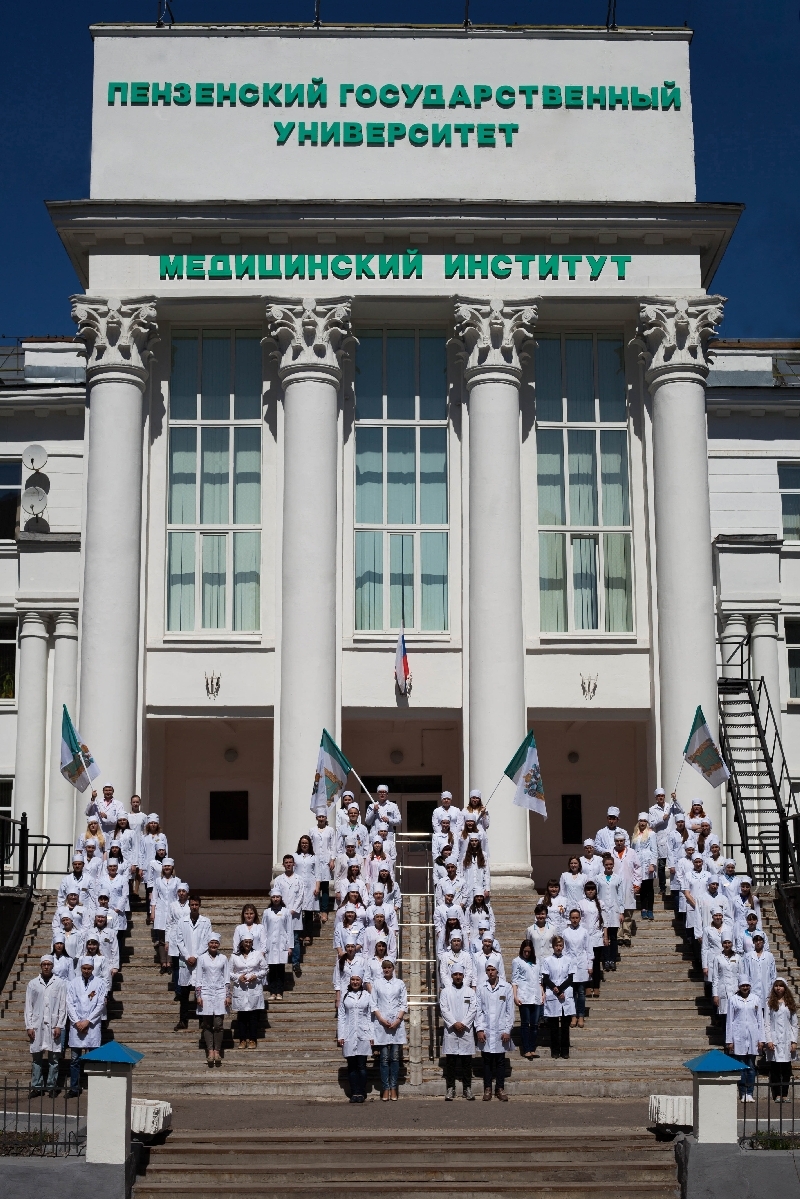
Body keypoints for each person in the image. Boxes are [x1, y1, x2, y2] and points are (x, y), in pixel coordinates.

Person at [24, 956, 67, 1098]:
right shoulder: (33, 984)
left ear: (52, 966)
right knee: (36, 1057)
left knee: (54, 1058)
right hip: (37, 1025)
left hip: (54, 1026)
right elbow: (28, 1006)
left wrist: (60, 1025)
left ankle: (52, 1086)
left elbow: (62, 1006)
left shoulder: (60, 983)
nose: (46, 967)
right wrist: (29, 1026)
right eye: (44, 964)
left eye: (49, 964)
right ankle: (36, 1086)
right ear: (40, 966)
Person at [66, 956, 107, 1097]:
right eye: (84, 968)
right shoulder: (73, 983)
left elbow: (100, 1004)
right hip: (76, 1026)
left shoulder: (100, 983)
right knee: (74, 1060)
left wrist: (88, 1021)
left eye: (89, 968)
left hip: (92, 1026)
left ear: (93, 969)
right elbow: (69, 1003)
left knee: (94, 1059)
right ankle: (74, 1088)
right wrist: (77, 1022)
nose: (86, 971)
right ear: (80, 968)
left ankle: (95, 1087)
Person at [474, 962, 513, 1101]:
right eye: (488, 970)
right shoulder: (480, 988)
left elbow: (510, 1011)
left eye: (493, 970)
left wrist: (507, 1030)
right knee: (487, 1061)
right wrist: (479, 1029)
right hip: (486, 1029)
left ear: (497, 971)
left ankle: (500, 1088)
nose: (491, 972)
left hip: (501, 1030)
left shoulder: (506, 988)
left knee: (500, 1061)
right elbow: (477, 1010)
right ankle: (488, 1088)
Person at [370, 957, 407, 1101]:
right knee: (384, 1058)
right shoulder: (377, 983)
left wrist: (398, 1020)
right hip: (382, 1024)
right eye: (384, 967)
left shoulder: (400, 983)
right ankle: (385, 1088)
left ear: (393, 968)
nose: (387, 970)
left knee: (395, 1057)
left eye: (389, 967)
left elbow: (403, 1003)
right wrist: (381, 1019)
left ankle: (393, 1087)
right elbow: (374, 1003)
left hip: (396, 1025)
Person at [174, 894, 211, 1031]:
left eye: (196, 905)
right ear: (189, 906)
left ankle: (203, 1020)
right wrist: (187, 956)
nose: (194, 907)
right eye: (192, 905)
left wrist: (195, 956)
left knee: (199, 992)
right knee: (184, 994)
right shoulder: (182, 921)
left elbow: (207, 941)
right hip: (185, 961)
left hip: (199, 961)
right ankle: (183, 1020)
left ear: (199, 905)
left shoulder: (206, 922)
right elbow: (179, 940)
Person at [440, 965, 476, 1100]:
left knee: (467, 1062)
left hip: (465, 1031)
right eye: (455, 974)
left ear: (463, 976)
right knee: (451, 1062)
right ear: (451, 976)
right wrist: (454, 1023)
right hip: (451, 1031)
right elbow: (444, 1009)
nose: (458, 977)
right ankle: (450, 1088)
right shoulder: (445, 992)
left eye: (460, 974)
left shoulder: (470, 992)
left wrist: (464, 1023)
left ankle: (467, 1088)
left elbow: (473, 1009)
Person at [725, 977, 765, 1102]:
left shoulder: (756, 999)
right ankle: (742, 1093)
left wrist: (761, 1039)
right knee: (741, 1066)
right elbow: (729, 1021)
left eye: (747, 985)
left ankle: (750, 1092)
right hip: (739, 1036)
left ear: (750, 986)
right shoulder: (733, 1000)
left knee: (751, 1066)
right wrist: (729, 1040)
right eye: (743, 985)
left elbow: (760, 1020)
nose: (745, 987)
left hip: (753, 1036)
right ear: (739, 986)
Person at [195, 932, 231, 1067]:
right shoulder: (202, 958)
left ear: (219, 944)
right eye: (212, 942)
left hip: (220, 992)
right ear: (208, 944)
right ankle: (210, 1050)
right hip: (206, 992)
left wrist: (228, 995)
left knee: (219, 1024)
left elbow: (226, 978)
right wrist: (198, 995)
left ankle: (217, 1050)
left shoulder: (223, 958)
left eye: (216, 943)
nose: (214, 945)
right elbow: (198, 978)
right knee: (207, 1024)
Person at [337, 973, 373, 1102]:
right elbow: (341, 1017)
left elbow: (370, 1016)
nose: (355, 982)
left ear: (361, 981)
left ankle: (362, 1093)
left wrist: (371, 1035)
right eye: (353, 979)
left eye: (357, 980)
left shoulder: (367, 996)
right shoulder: (345, 996)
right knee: (351, 1065)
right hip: (349, 1033)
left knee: (362, 1065)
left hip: (363, 1033)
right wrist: (341, 1035)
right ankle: (354, 1093)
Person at [541, 935, 575, 1060]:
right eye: (556, 946)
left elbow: (570, 977)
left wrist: (560, 989)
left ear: (563, 946)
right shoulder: (547, 960)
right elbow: (545, 978)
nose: (558, 948)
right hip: (553, 994)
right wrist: (555, 989)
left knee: (565, 1026)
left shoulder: (568, 959)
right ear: (553, 946)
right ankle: (555, 1050)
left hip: (565, 993)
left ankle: (565, 1050)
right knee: (554, 1026)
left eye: (560, 946)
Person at [764, 978, 798, 1101]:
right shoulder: (769, 1003)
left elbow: (794, 1024)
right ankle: (777, 1094)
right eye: (776, 986)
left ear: (785, 988)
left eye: (781, 986)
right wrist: (769, 1040)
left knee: (786, 1068)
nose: (778, 988)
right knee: (775, 1068)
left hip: (787, 1039)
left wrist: (794, 1041)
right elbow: (767, 1023)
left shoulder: (789, 1003)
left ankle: (785, 1094)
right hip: (774, 1039)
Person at [230, 935, 266, 1049]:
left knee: (253, 1015)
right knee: (242, 1015)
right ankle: (242, 1040)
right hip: (240, 988)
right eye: (246, 942)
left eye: (250, 942)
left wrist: (256, 976)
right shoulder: (234, 956)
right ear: (241, 943)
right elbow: (228, 972)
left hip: (253, 987)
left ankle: (253, 1039)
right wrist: (237, 977)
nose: (248, 944)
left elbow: (265, 969)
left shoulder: (257, 954)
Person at [273, 853, 305, 976]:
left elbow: (301, 896)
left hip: (295, 914)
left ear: (294, 864)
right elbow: (276, 896)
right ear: (283, 864)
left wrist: (293, 910)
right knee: (282, 937)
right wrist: (283, 910)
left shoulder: (299, 879)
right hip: (281, 913)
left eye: (290, 862)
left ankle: (296, 963)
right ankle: (281, 960)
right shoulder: (279, 880)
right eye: (286, 863)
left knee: (296, 939)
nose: (288, 864)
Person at [648, 788, 683, 895]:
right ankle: (662, 888)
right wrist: (662, 819)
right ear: (656, 798)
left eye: (662, 795)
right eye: (659, 796)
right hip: (661, 840)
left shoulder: (670, 806)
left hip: (672, 839)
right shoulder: (652, 809)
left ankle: (676, 886)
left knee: (674, 863)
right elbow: (651, 824)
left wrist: (675, 800)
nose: (661, 797)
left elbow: (682, 812)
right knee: (662, 865)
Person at [511, 939, 541, 1059]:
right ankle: (526, 1049)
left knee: (534, 1024)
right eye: (525, 951)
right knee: (525, 1023)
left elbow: (539, 979)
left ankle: (532, 1048)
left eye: (529, 952)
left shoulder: (537, 961)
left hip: (536, 995)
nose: (526, 954)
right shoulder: (517, 961)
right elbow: (514, 980)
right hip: (524, 996)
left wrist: (542, 993)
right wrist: (515, 996)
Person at [262, 889, 293, 1000]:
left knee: (280, 968)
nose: (275, 899)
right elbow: (264, 930)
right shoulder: (267, 912)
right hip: (270, 944)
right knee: (271, 968)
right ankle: (272, 991)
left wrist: (290, 946)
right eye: (274, 897)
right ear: (271, 898)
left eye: (278, 897)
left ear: (281, 898)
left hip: (282, 944)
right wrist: (263, 947)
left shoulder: (286, 912)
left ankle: (279, 992)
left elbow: (289, 930)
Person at [611, 831, 641, 946]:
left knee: (628, 912)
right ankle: (619, 935)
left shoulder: (632, 852)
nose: (619, 843)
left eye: (621, 841)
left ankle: (627, 935)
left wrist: (637, 883)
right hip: (615, 887)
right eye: (617, 841)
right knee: (617, 911)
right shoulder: (610, 852)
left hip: (629, 885)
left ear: (625, 841)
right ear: (615, 842)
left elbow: (637, 868)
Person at [562, 909, 591, 1028]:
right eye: (572, 918)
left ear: (580, 919)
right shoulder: (565, 932)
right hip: (570, 963)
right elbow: (563, 949)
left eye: (576, 918)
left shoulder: (584, 932)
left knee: (581, 992)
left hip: (582, 963)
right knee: (571, 992)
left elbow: (589, 949)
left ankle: (581, 1015)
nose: (574, 920)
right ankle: (573, 1015)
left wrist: (590, 965)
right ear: (569, 918)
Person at [151, 857, 180, 971]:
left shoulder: (177, 881)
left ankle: (170, 962)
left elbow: (179, 897)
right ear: (162, 868)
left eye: (169, 866)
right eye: (165, 866)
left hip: (173, 912)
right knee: (162, 939)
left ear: (172, 867)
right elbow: (154, 897)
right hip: (161, 911)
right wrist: (152, 912)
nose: (167, 868)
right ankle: (163, 962)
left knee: (172, 938)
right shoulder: (158, 881)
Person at [596, 854, 625, 970]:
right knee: (603, 935)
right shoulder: (598, 878)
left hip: (614, 910)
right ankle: (606, 959)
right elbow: (596, 894)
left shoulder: (618, 878)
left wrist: (621, 912)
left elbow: (620, 896)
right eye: (606, 864)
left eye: (610, 864)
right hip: (602, 910)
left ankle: (612, 960)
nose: (608, 866)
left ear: (613, 865)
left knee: (613, 936)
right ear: (603, 865)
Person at [579, 880, 607, 998]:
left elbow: (605, 922)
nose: (590, 891)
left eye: (592, 889)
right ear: (585, 891)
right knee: (586, 963)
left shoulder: (600, 903)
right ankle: (587, 986)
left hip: (597, 937)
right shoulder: (580, 903)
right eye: (588, 889)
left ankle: (596, 986)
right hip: (585, 937)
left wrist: (606, 936)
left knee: (595, 963)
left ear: (595, 891)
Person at [294, 835, 321, 945]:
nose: (304, 844)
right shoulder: (295, 856)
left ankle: (308, 935)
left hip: (310, 886)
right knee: (299, 912)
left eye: (306, 843)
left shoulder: (314, 857)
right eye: (302, 843)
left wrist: (317, 887)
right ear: (300, 844)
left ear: (309, 844)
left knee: (309, 912)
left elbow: (318, 873)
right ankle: (300, 934)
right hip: (298, 886)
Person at [310, 811, 336, 922]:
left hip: (326, 861)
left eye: (323, 817)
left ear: (326, 818)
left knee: (324, 887)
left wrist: (332, 859)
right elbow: (310, 845)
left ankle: (324, 911)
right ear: (316, 818)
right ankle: (316, 911)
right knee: (315, 887)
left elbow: (333, 845)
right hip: (315, 860)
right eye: (319, 817)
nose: (321, 819)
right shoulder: (312, 830)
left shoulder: (330, 830)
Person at [631, 814, 658, 920]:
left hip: (647, 863)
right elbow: (632, 850)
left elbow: (654, 850)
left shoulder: (651, 834)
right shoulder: (635, 834)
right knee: (641, 887)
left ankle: (650, 909)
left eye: (644, 821)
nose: (642, 823)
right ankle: (643, 909)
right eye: (641, 821)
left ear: (647, 822)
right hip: (638, 863)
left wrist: (652, 864)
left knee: (649, 888)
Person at [711, 936, 741, 1027]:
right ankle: (726, 1040)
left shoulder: (738, 957)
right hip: (722, 990)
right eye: (725, 943)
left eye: (729, 943)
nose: (727, 945)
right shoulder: (718, 958)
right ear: (722, 944)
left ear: (732, 943)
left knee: (737, 1018)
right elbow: (715, 977)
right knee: (725, 1018)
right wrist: (715, 995)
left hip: (736, 990)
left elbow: (741, 974)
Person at [334, 939, 368, 1008]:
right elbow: (337, 980)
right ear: (345, 948)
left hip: (358, 991)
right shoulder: (340, 962)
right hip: (344, 992)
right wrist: (338, 998)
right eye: (348, 946)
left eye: (352, 947)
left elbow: (365, 977)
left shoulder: (361, 961)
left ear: (355, 948)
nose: (350, 949)